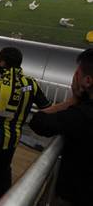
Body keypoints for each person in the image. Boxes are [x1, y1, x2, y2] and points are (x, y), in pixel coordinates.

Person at [0, 47, 51, 205]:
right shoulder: (30, 85)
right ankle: (5, 197)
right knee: (4, 168)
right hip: (12, 138)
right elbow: (46, 107)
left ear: (2, 62)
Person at [29, 48, 93, 206]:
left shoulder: (82, 115)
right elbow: (40, 100)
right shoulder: (28, 84)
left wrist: (72, 101)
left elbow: (38, 120)